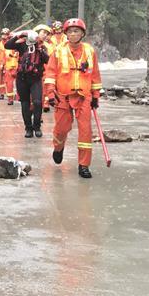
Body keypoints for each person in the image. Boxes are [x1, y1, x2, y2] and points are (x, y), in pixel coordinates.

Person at [43, 18, 103, 179]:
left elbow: (95, 74)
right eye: (70, 31)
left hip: (84, 97)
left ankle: (84, 165)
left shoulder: (89, 51)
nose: (73, 34)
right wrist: (50, 93)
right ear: (66, 34)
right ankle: (58, 147)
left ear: (82, 33)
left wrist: (96, 95)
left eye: (76, 31)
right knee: (61, 129)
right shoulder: (58, 51)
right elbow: (50, 73)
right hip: (63, 96)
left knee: (85, 132)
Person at [5, 28, 50, 137]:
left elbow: (47, 59)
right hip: (22, 78)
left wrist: (40, 49)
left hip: (35, 79)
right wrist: (19, 35)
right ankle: (28, 128)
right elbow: (7, 45)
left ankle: (37, 126)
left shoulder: (41, 46)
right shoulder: (21, 45)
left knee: (38, 102)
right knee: (24, 103)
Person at [0, 29, 19, 105]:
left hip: (17, 68)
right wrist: (2, 65)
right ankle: (10, 99)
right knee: (9, 84)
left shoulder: (18, 47)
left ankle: (17, 97)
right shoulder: (6, 47)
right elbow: (4, 57)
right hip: (9, 68)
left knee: (18, 84)